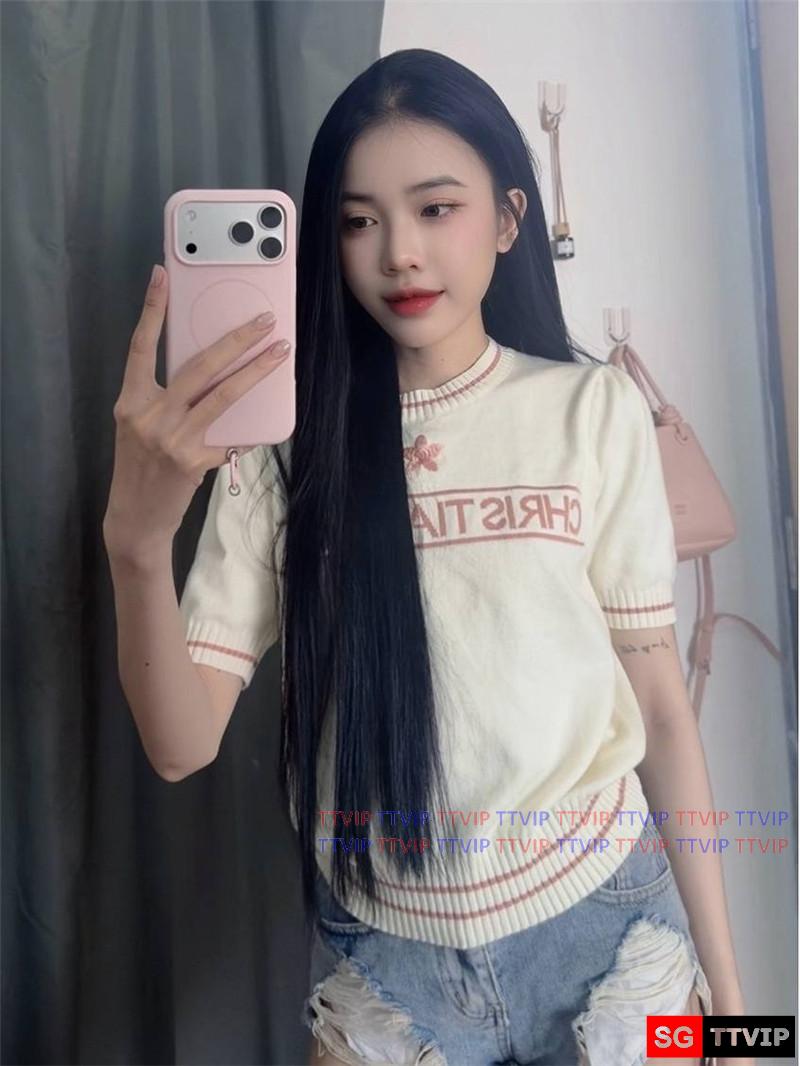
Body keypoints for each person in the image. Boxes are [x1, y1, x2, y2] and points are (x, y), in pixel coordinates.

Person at [104, 48, 750, 1066]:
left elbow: (662, 711)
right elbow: (180, 746)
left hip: (614, 933)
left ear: (506, 218)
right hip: (390, 972)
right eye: (359, 221)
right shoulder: (282, 452)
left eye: (436, 209)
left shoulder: (592, 410)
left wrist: (733, 1000)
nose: (399, 253)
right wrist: (136, 540)